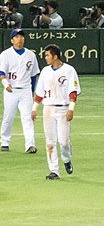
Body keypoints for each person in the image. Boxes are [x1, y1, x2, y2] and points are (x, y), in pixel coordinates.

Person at [31, 44, 79, 180]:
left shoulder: (69, 70)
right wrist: (34, 108)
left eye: (47, 55)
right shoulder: (45, 71)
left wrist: (71, 109)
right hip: (48, 108)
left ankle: (66, 159)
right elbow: (39, 92)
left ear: (55, 56)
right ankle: (54, 170)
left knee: (63, 141)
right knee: (50, 142)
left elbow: (73, 91)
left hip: (63, 108)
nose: (45, 58)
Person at [0, 29, 39, 153]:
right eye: (17, 36)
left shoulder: (31, 55)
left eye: (21, 36)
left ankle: (30, 144)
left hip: (25, 90)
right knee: (8, 117)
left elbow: (33, 75)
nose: (20, 39)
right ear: (12, 40)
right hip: (11, 90)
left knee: (28, 118)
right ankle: (5, 141)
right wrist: (5, 83)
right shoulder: (6, 54)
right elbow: (1, 72)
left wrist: (32, 91)